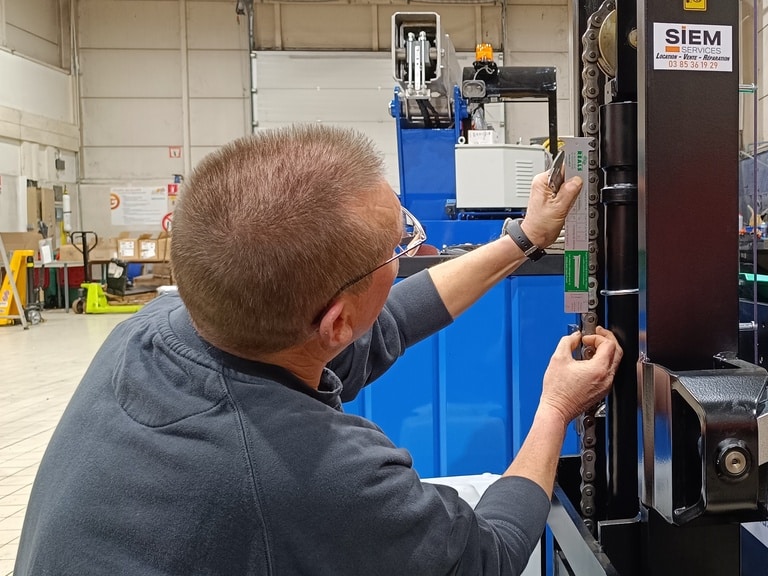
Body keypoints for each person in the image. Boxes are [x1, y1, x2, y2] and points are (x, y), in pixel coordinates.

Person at [15, 125, 621, 575]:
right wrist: (554, 408)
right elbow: (485, 556)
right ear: (335, 322)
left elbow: (390, 323)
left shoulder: (158, 328)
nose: (411, 251)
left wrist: (524, 239)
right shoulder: (319, 474)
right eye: (401, 243)